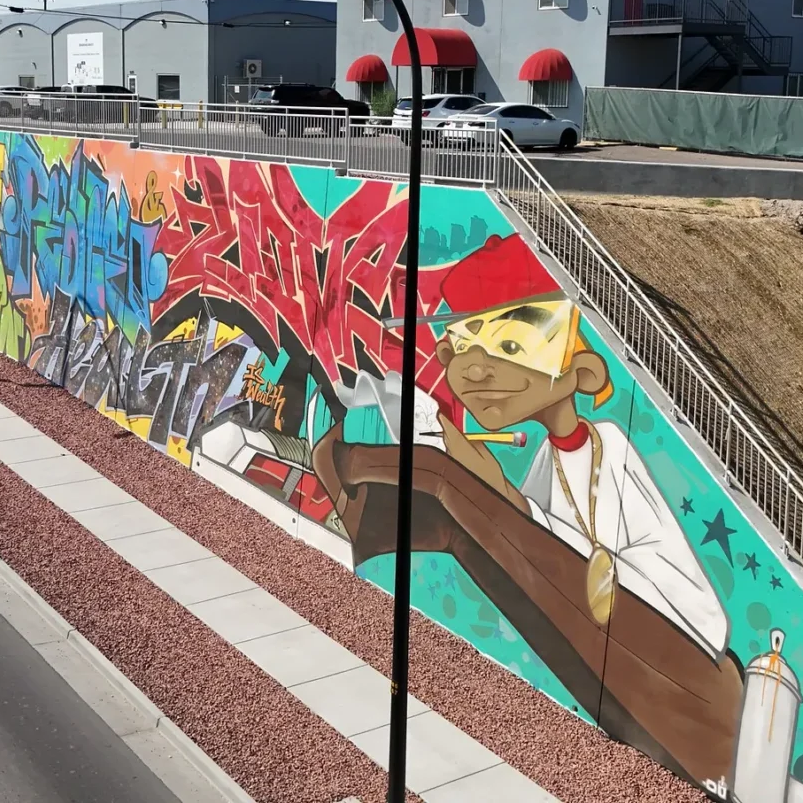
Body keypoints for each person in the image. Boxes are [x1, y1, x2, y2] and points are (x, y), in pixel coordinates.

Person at [312, 234, 746, 787]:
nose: (471, 373)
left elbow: (677, 600)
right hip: (620, 652)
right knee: (457, 500)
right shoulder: (548, 454)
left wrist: (471, 480)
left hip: (686, 676)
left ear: (582, 371)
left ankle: (364, 476)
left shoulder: (609, 445)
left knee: (452, 488)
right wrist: (474, 468)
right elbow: (528, 525)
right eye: (461, 350)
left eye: (508, 348)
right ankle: (369, 496)